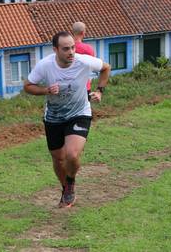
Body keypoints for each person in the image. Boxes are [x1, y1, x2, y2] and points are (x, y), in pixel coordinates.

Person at [24, 31, 111, 208]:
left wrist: (100, 91)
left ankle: (70, 183)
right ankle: (65, 188)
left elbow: (106, 68)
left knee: (72, 154)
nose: (71, 52)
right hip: (54, 116)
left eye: (72, 47)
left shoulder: (83, 61)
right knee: (58, 159)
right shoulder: (45, 65)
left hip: (79, 112)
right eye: (65, 49)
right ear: (55, 49)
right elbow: (27, 86)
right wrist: (46, 90)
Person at [72, 22, 95, 99]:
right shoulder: (89, 49)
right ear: (83, 32)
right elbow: (92, 67)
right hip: (84, 86)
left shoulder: (66, 48)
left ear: (73, 32)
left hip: (68, 86)